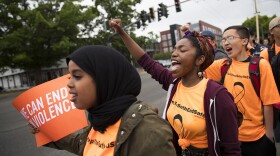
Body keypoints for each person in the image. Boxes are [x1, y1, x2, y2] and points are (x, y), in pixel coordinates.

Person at [110, 19, 241, 156]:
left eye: (182, 50)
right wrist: (122, 33)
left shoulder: (218, 96)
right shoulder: (174, 83)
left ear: (199, 60)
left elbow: (231, 149)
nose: (174, 54)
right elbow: (146, 61)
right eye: (174, 49)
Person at [31, 45, 177, 156]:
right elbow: (82, 144)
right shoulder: (99, 119)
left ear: (103, 78)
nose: (69, 83)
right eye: (70, 76)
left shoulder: (148, 130)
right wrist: (47, 129)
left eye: (77, 76)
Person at [204, 25, 280, 156]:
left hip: (258, 139)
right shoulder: (222, 65)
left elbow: (268, 103)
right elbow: (197, 66)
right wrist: (189, 34)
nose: (226, 42)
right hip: (231, 140)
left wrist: (269, 136)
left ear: (244, 41)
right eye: (223, 39)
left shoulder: (260, 65)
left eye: (230, 38)